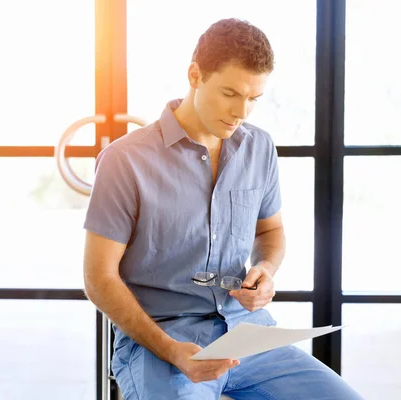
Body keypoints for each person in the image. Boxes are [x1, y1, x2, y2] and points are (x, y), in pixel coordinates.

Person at [82, 18, 363, 399]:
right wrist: (171, 351)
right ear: (195, 75)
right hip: (160, 341)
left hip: (246, 333)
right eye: (230, 93)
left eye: (253, 99)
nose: (241, 112)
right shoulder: (125, 160)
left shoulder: (259, 147)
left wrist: (265, 269)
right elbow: (99, 279)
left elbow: (270, 232)